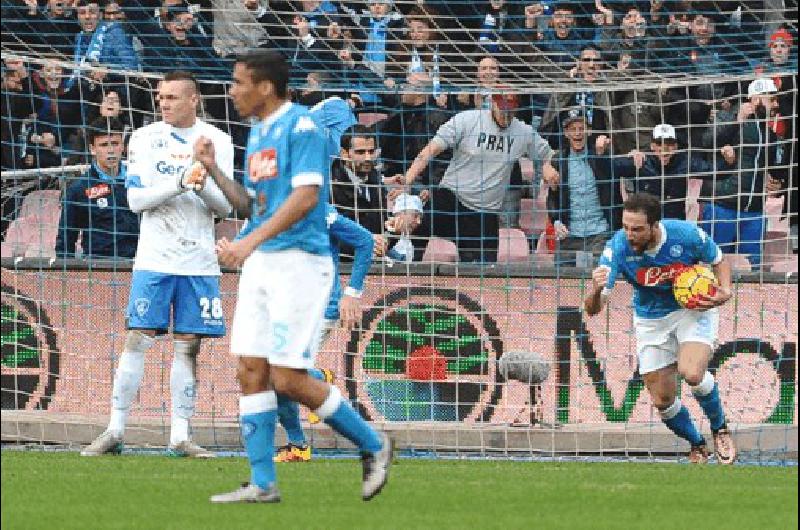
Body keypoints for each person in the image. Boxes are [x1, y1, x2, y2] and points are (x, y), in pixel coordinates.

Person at [204, 49, 392, 503]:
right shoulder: (258, 133)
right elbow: (252, 205)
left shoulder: (303, 127)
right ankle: (263, 482)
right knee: (250, 368)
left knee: (288, 378)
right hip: (264, 263)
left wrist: (248, 243)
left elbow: (307, 197)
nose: (232, 91)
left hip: (301, 265)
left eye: (238, 82)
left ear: (264, 87)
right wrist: (212, 171)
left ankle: (373, 444)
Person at [80, 70, 234, 458]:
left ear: (193, 99)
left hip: (198, 261)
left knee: (188, 346)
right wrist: (181, 182)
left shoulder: (219, 141)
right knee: (136, 339)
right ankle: (114, 429)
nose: (164, 103)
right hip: (154, 257)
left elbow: (226, 207)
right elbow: (136, 202)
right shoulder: (145, 138)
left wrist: (203, 185)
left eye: (172, 98)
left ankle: (180, 435)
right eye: (161, 97)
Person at [584, 193, 736, 465]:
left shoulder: (685, 234)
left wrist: (725, 290)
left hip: (691, 309)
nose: (630, 235)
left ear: (655, 225)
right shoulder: (617, 248)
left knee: (691, 373)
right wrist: (595, 289)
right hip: (651, 319)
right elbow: (592, 310)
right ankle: (697, 443)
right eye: (626, 227)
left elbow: (718, 259)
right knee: (662, 399)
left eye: (638, 229)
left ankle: (720, 428)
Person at [388, 91, 558, 262]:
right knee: (414, 219)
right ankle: (391, 255)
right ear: (493, 103)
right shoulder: (467, 120)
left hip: (485, 213)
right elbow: (430, 150)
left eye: (511, 110)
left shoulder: (523, 132)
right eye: (502, 109)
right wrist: (407, 179)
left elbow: (550, 155)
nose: (506, 115)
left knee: (483, 274)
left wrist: (548, 166)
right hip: (452, 198)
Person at [274, 202, 377, 462]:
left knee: (279, 372)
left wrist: (352, 294)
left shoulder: (319, 210)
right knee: (276, 379)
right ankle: (298, 443)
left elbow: (365, 241)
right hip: (288, 308)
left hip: (319, 307)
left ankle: (318, 384)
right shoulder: (271, 207)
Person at [55, 117, 139, 259]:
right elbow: (66, 241)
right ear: (92, 149)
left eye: (115, 143)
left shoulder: (138, 181)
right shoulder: (78, 189)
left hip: (138, 264)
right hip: (99, 267)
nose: (111, 150)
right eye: (104, 145)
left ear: (123, 147)